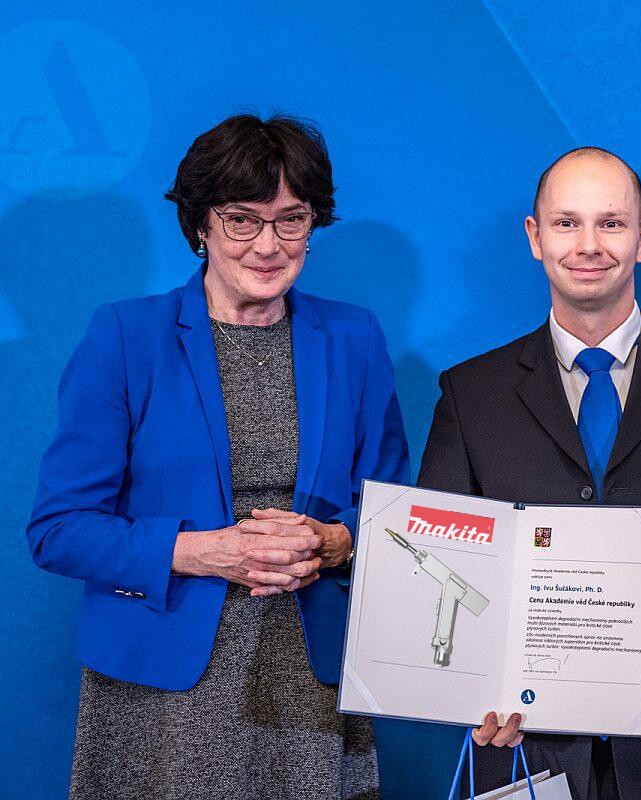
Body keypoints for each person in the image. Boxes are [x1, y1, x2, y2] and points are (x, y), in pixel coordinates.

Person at [26, 114, 409, 799]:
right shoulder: (126, 336)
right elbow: (59, 530)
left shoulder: (354, 337)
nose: (268, 244)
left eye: (291, 220)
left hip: (310, 680)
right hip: (158, 686)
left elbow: (396, 512)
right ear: (200, 224)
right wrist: (203, 552)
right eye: (242, 220)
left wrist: (333, 541)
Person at [418, 147, 641, 800]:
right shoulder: (471, 395)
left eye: (611, 223)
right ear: (535, 237)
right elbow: (440, 559)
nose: (589, 245)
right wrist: (468, 684)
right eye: (567, 223)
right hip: (521, 751)